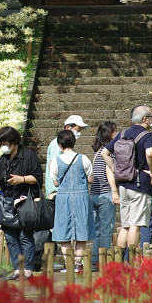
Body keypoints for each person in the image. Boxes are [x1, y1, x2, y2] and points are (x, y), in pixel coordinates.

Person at [103, 105, 152, 262]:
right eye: (151, 116)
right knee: (136, 224)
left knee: (125, 224)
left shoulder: (122, 134)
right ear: (145, 119)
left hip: (123, 185)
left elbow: (105, 153)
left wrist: (115, 169)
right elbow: (150, 153)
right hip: (140, 185)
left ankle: (120, 260)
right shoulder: (148, 136)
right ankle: (131, 260)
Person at [0, 126, 43, 281]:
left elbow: (37, 178)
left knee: (25, 236)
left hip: (24, 201)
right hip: (7, 203)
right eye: (0, 144)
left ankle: (28, 269)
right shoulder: (3, 159)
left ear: (13, 141)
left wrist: (22, 179)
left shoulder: (28, 156)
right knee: (10, 238)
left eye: (4, 142)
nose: (3, 146)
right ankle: (17, 269)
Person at [50, 129, 95, 273]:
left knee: (64, 232)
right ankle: (78, 264)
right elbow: (90, 179)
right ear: (74, 142)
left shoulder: (56, 161)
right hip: (81, 197)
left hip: (63, 198)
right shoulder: (83, 159)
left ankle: (68, 265)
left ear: (59, 145)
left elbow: (56, 183)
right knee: (82, 232)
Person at [90, 121, 120, 271]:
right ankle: (102, 262)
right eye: (115, 131)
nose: (118, 134)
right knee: (107, 230)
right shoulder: (108, 152)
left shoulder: (97, 152)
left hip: (94, 194)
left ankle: (95, 261)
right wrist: (115, 191)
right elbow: (109, 172)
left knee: (97, 230)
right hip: (106, 193)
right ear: (109, 134)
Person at [44, 114, 88, 199]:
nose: (79, 133)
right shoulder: (57, 145)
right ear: (68, 128)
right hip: (56, 190)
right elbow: (52, 167)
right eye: (78, 130)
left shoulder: (69, 147)